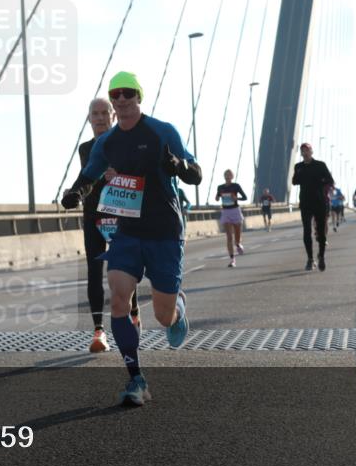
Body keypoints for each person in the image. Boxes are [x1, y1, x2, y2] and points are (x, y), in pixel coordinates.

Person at [62, 71, 201, 407]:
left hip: (164, 230)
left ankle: (177, 310)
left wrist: (178, 164)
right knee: (120, 296)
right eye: (116, 95)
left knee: (162, 315)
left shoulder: (162, 131)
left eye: (128, 93)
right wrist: (75, 192)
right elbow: (89, 174)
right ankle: (135, 378)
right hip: (126, 231)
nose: (121, 100)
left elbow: (195, 173)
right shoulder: (107, 142)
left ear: (139, 96)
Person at [73, 98, 139, 353]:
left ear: (113, 115)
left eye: (104, 113)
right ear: (89, 118)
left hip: (121, 214)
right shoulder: (85, 148)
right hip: (94, 216)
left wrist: (120, 175)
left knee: (125, 270)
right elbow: (88, 180)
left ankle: (133, 312)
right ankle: (98, 331)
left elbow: (136, 178)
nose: (100, 118)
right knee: (93, 271)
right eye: (95, 114)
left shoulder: (126, 142)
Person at [291, 142, 334, 271]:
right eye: (302, 151)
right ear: (301, 153)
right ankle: (310, 259)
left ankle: (321, 256)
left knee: (321, 232)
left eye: (307, 150)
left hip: (319, 202)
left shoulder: (320, 165)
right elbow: (294, 181)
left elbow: (329, 180)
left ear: (311, 152)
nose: (305, 152)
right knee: (307, 231)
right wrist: (301, 177)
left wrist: (319, 181)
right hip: (305, 203)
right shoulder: (298, 166)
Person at [215, 169, 247, 268]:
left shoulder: (236, 186)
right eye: (226, 174)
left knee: (237, 236)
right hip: (226, 212)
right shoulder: (220, 187)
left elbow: (245, 197)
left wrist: (236, 198)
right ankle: (232, 260)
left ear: (232, 176)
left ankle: (238, 244)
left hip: (235, 211)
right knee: (229, 237)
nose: (227, 176)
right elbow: (217, 197)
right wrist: (217, 197)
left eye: (229, 174)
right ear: (224, 176)